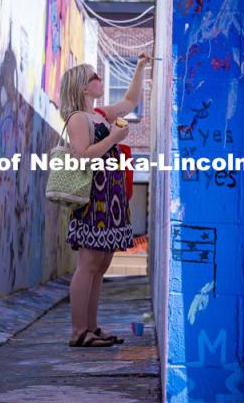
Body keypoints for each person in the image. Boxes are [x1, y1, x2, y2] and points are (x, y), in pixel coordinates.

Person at [59, 53, 150, 347]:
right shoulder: (77, 119)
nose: (99, 80)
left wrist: (139, 67)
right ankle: (77, 331)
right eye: (94, 77)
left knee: (102, 262)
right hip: (92, 197)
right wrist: (114, 137)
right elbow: (82, 154)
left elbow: (130, 101)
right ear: (84, 88)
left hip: (110, 197)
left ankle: (91, 327)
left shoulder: (98, 115)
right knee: (88, 262)